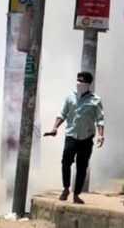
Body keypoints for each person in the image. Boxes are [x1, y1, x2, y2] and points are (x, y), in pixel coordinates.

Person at [44, 72, 104, 205]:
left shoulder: (96, 100)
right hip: (71, 136)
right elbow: (62, 113)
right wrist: (55, 127)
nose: (79, 83)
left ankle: (76, 194)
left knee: (82, 167)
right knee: (66, 162)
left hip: (86, 138)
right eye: (77, 80)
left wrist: (100, 135)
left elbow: (100, 119)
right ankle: (65, 188)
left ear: (88, 84)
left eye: (81, 81)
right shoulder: (70, 97)